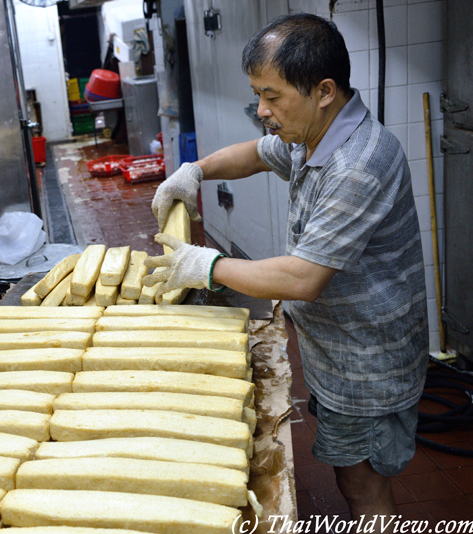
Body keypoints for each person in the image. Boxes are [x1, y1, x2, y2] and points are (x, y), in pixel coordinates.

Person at [145, 13, 427, 518]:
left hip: (367, 361)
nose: (262, 111)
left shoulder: (357, 163)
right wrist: (196, 171)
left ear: (323, 90)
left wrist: (205, 266)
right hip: (335, 346)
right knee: (350, 470)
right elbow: (254, 153)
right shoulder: (314, 134)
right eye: (258, 95)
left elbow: (303, 277)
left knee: (362, 482)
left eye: (272, 97)